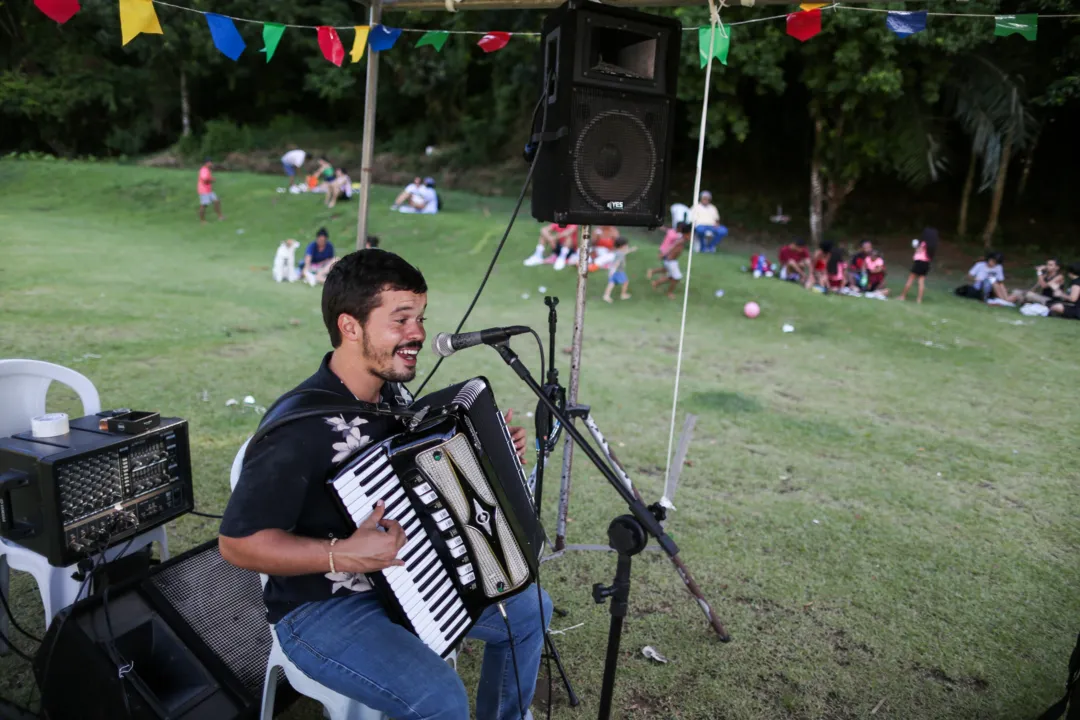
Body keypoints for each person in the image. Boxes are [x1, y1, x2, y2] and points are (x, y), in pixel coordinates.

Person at [219, 249, 551, 720]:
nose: (417, 333)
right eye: (400, 320)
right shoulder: (297, 429)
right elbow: (238, 544)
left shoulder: (392, 395)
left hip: (416, 574)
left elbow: (419, 480)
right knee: (441, 700)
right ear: (350, 326)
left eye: (419, 317)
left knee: (530, 610)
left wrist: (488, 459)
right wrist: (342, 553)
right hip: (322, 608)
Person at [648, 222, 690, 298]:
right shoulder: (681, 240)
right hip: (670, 261)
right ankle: (669, 293)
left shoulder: (682, 237)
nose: (690, 237)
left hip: (672, 261)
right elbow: (672, 246)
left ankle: (655, 283)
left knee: (671, 277)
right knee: (677, 278)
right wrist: (663, 254)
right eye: (690, 234)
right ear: (687, 233)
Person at [898, 227, 939, 304]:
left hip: (919, 262)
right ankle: (919, 300)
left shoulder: (923, 243)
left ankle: (902, 296)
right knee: (921, 282)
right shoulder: (932, 246)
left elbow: (918, 250)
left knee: (910, 279)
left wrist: (915, 246)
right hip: (926, 264)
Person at [602, 237, 636, 303]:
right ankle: (623, 295)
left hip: (614, 271)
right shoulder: (620, 254)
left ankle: (606, 295)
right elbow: (617, 263)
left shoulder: (619, 252)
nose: (627, 246)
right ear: (622, 246)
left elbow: (625, 252)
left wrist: (631, 249)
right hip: (618, 271)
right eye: (626, 245)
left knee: (611, 283)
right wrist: (613, 270)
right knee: (625, 282)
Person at [197, 158, 224, 223]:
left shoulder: (207, 170)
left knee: (216, 201)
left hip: (209, 190)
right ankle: (202, 221)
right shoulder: (203, 170)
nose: (211, 164)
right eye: (210, 162)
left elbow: (207, 178)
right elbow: (205, 180)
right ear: (207, 163)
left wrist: (211, 179)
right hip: (204, 190)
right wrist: (212, 180)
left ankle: (220, 217)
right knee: (204, 205)